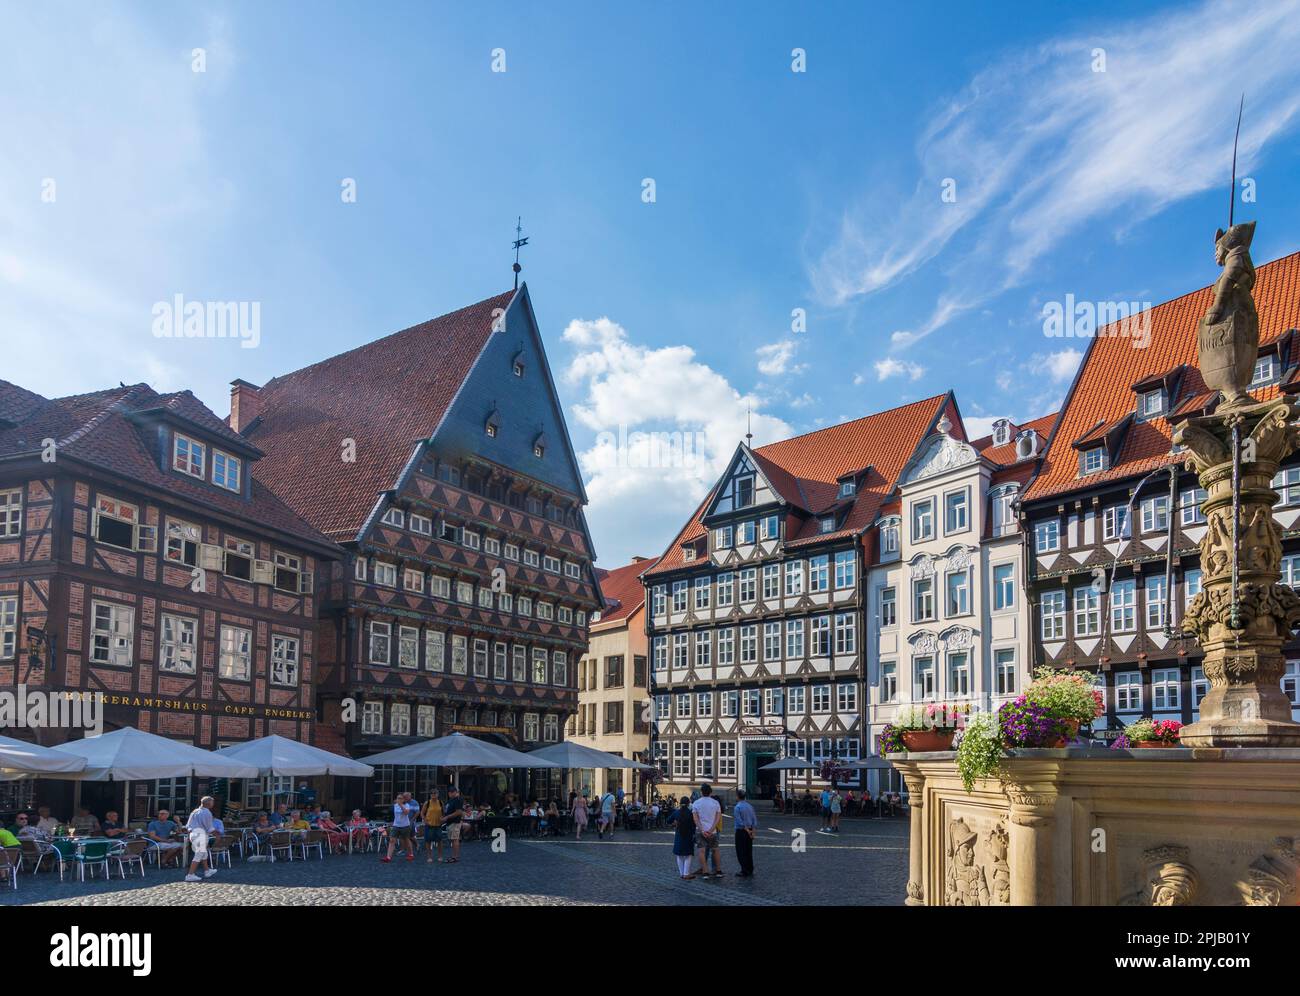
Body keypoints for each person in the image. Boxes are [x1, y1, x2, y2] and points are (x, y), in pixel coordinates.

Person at [691, 783, 723, 879]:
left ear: (701, 792)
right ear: (710, 792)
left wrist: (702, 830)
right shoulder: (715, 803)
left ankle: (705, 872)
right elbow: (718, 818)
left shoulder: (696, 803)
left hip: (701, 831)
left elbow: (695, 819)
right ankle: (718, 871)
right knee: (715, 850)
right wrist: (712, 829)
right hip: (712, 831)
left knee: (701, 851)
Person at [184, 796, 218, 882]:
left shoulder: (194, 811)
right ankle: (190, 875)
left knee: (203, 853)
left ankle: (207, 871)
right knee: (199, 854)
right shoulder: (207, 813)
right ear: (209, 803)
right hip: (200, 834)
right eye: (212, 802)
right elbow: (209, 828)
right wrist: (218, 834)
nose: (213, 804)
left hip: (193, 834)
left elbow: (188, 826)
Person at [382, 792, 415, 863]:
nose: (399, 799)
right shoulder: (395, 806)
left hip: (405, 826)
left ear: (403, 799)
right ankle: (388, 857)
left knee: (406, 840)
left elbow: (406, 812)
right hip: (396, 825)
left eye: (400, 798)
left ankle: (411, 854)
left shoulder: (407, 805)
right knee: (392, 840)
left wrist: (401, 805)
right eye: (398, 798)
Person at [733, 789, 757, 877]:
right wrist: (752, 832)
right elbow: (754, 819)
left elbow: (739, 822)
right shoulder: (750, 806)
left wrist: (747, 830)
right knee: (748, 851)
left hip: (741, 831)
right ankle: (750, 868)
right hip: (750, 830)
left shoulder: (737, 807)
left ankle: (744, 870)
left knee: (741, 851)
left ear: (738, 796)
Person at [673, 796, 695, 879]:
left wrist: (675, 823)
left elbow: (668, 820)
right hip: (688, 835)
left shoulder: (676, 812)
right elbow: (694, 824)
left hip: (679, 835)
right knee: (688, 855)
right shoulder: (690, 813)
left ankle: (682, 873)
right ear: (688, 803)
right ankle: (686, 873)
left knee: (679, 855)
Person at [442, 786, 464, 863]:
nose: (450, 793)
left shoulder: (457, 800)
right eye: (449, 792)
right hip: (450, 822)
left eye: (452, 792)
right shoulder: (450, 800)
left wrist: (448, 816)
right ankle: (454, 856)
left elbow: (459, 812)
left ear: (455, 792)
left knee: (455, 839)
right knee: (453, 839)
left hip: (455, 822)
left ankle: (455, 857)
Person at [422, 793, 445, 863]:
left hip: (438, 825)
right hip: (429, 824)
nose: (433, 795)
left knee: (439, 841)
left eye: (435, 794)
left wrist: (442, 819)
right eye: (432, 794)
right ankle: (429, 857)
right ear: (430, 795)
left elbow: (443, 812)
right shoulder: (427, 803)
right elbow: (422, 813)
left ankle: (440, 856)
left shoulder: (441, 802)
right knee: (428, 841)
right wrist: (425, 820)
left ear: (438, 794)